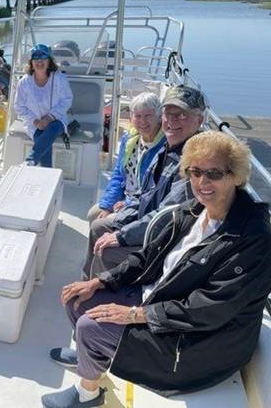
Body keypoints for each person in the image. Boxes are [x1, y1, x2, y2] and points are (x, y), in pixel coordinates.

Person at [43, 131, 271, 408]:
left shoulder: (252, 237)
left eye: (214, 173)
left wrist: (136, 314)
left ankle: (88, 393)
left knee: (92, 327)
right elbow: (148, 256)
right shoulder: (192, 211)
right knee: (78, 300)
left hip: (199, 342)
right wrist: (101, 281)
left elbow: (212, 307)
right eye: (195, 171)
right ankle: (89, 359)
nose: (202, 182)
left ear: (235, 175)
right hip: (161, 299)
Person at [82, 85, 206, 279]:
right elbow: (144, 193)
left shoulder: (193, 162)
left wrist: (122, 235)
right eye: (168, 113)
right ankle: (86, 282)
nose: (172, 120)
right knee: (98, 227)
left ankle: (99, 296)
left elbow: (167, 217)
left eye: (181, 115)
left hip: (165, 241)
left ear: (199, 120)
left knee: (105, 250)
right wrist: (122, 216)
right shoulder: (167, 148)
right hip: (148, 224)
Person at [87, 92, 165, 222]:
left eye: (148, 116)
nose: (143, 121)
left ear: (159, 117)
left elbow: (156, 189)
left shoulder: (164, 146)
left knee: (100, 224)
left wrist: (129, 204)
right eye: (138, 116)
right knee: (93, 215)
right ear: (131, 118)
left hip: (144, 205)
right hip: (124, 196)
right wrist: (107, 205)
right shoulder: (129, 139)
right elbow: (118, 174)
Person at [14, 43, 75, 167]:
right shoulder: (24, 82)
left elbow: (66, 100)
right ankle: (46, 173)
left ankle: (31, 160)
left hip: (56, 121)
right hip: (34, 124)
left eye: (43, 57)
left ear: (49, 61)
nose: (39, 61)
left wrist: (49, 117)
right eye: (35, 57)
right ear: (31, 62)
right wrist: (35, 121)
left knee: (51, 129)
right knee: (42, 137)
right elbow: (19, 106)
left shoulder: (59, 78)